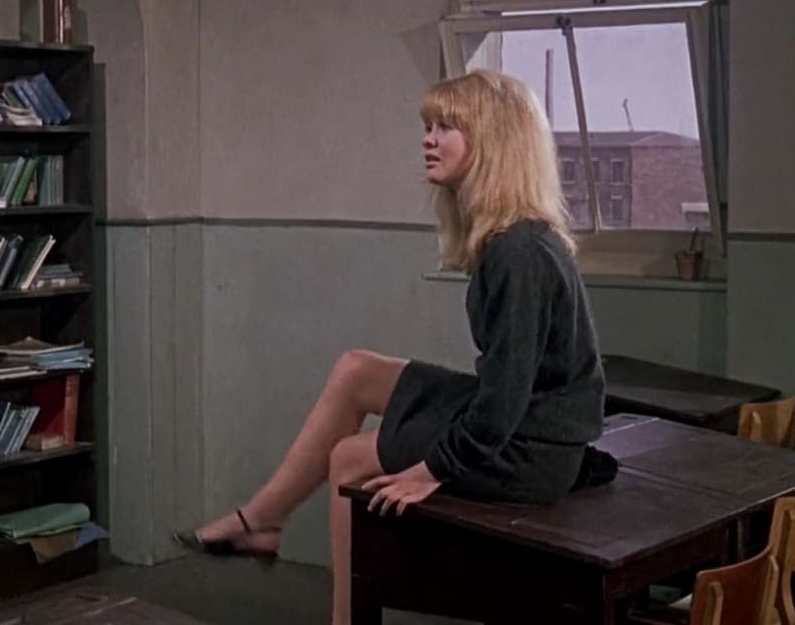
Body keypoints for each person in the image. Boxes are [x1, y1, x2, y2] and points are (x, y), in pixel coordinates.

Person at [174, 69, 611, 624]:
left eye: (446, 127)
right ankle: (263, 518)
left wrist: (434, 468)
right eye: (428, 126)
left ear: (493, 142)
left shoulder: (517, 254)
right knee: (356, 369)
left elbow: (502, 405)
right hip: (528, 425)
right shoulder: (516, 238)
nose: (428, 139)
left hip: (531, 453)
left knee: (349, 458)